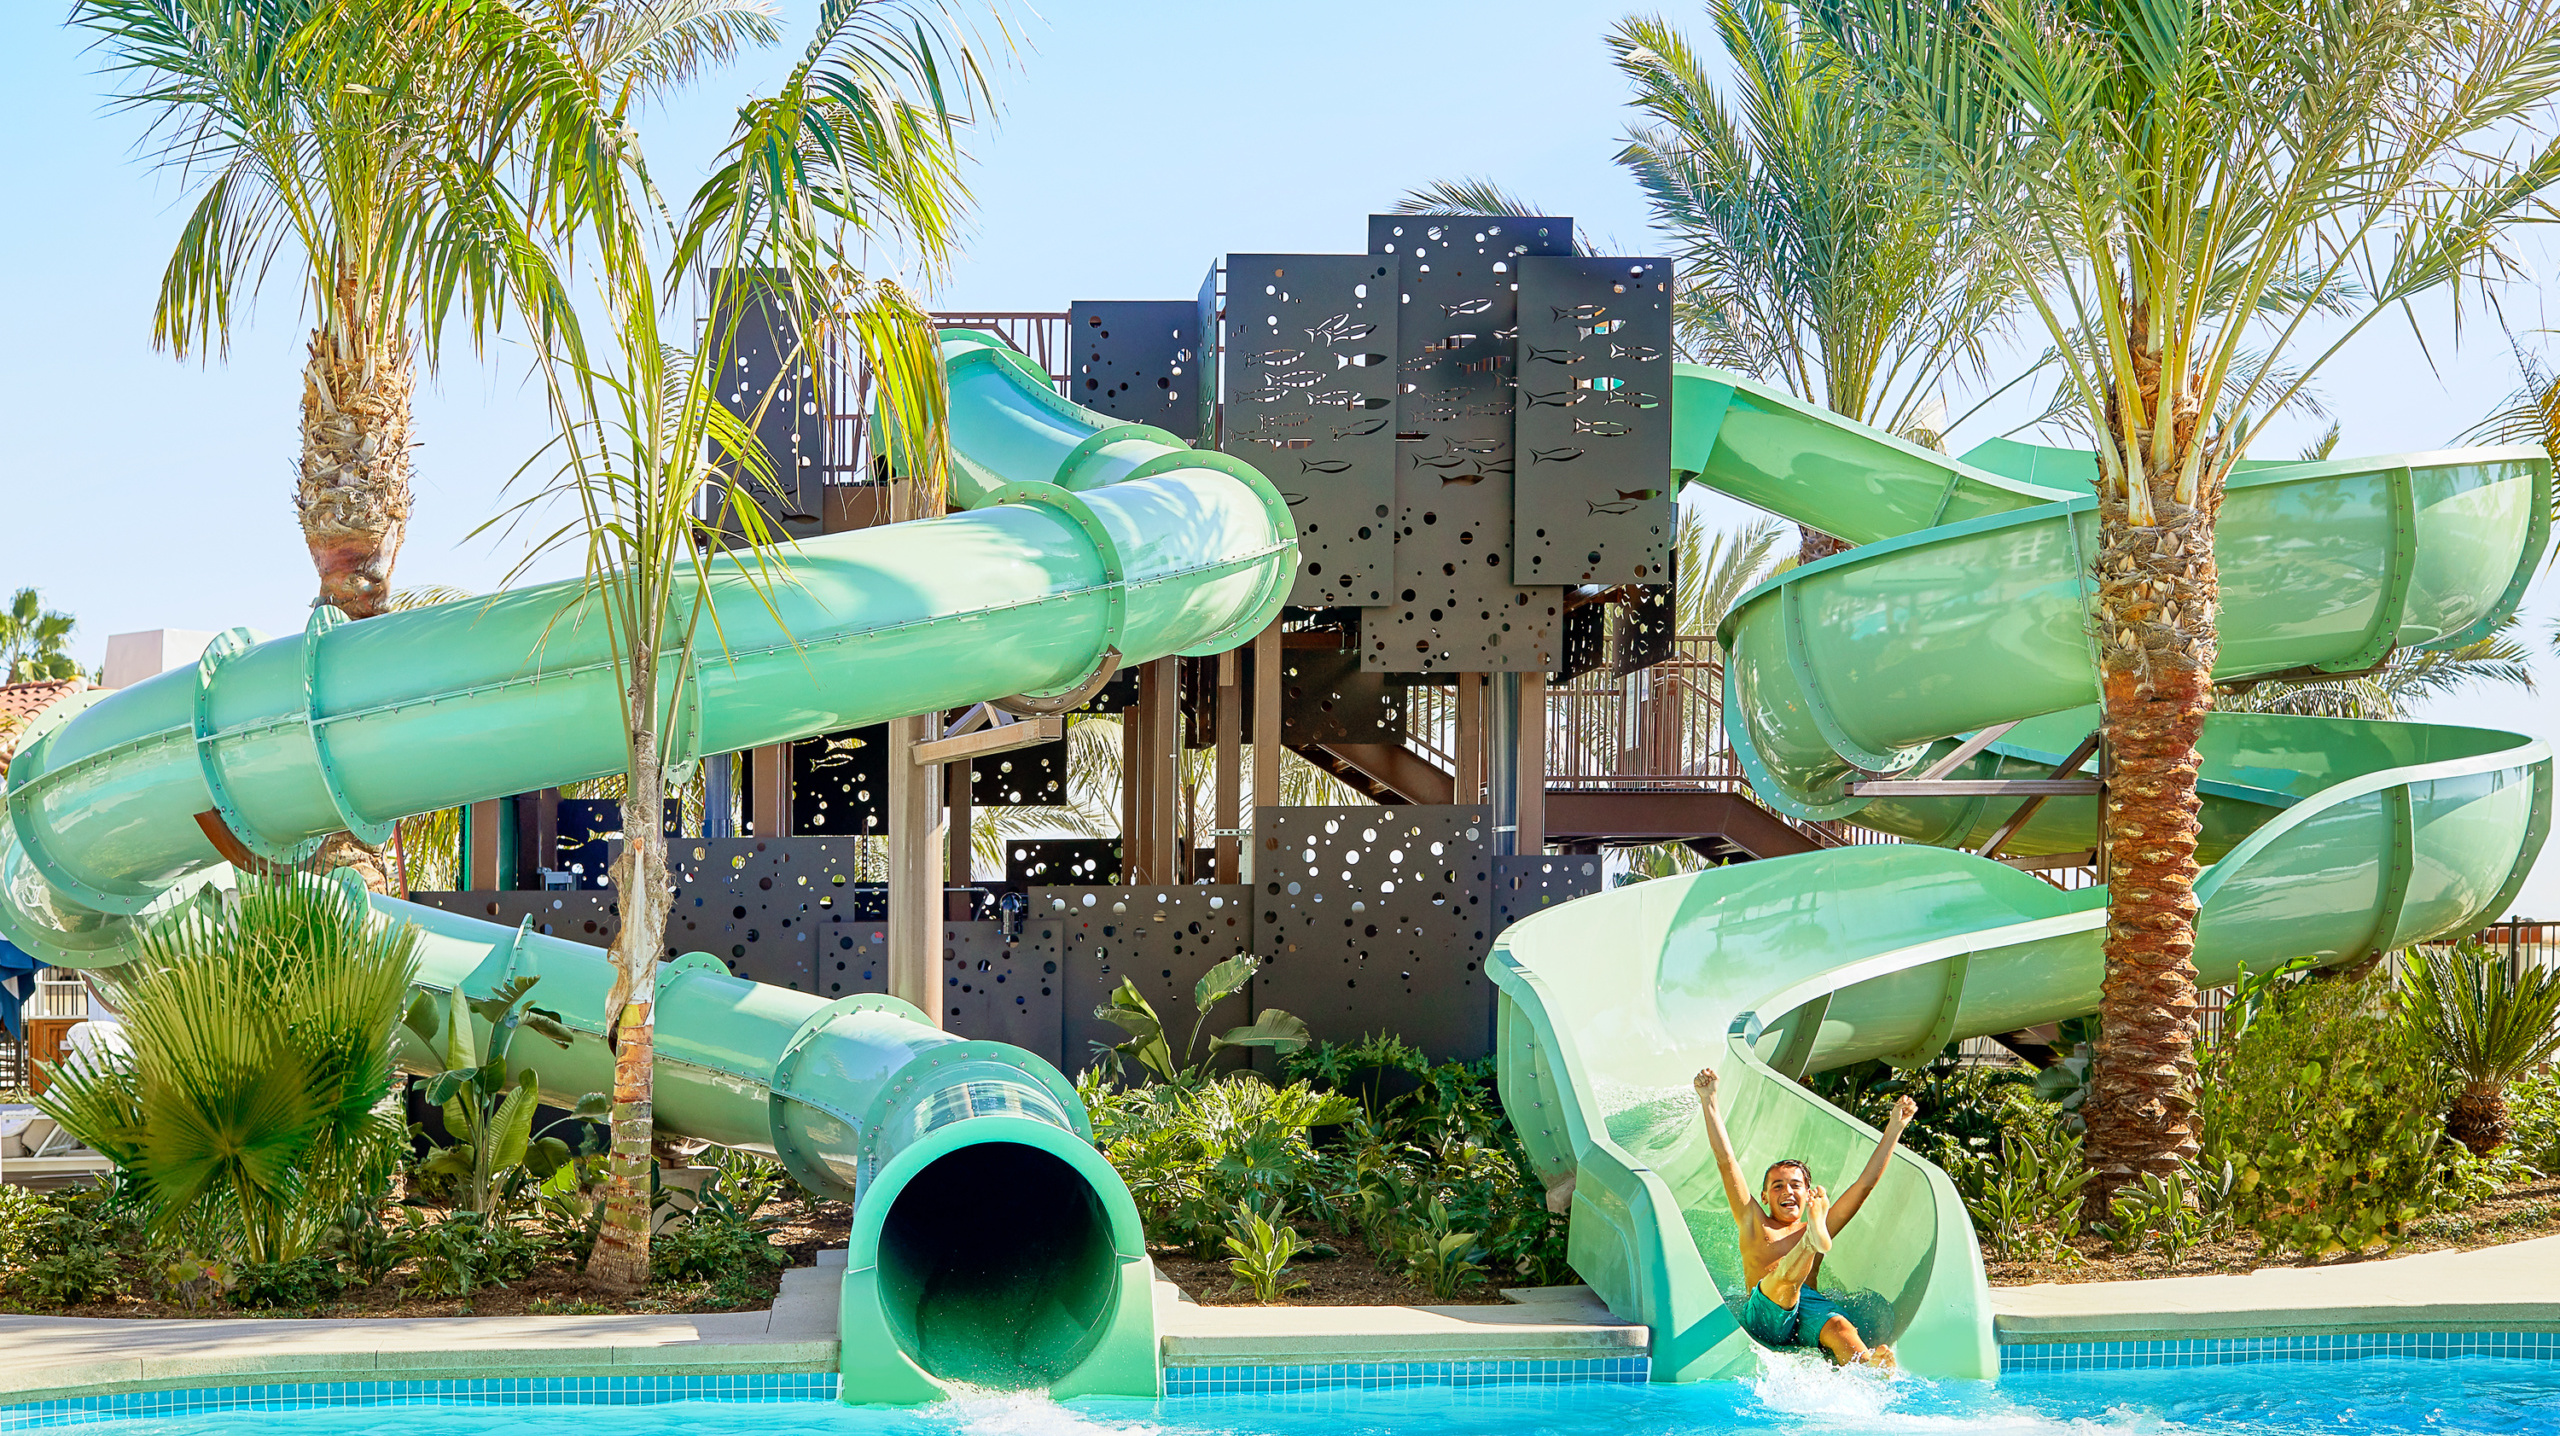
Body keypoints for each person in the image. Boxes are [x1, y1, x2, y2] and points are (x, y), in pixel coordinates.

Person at [1692, 1066, 1914, 1368]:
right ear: (1765, 1197)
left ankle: (1866, 1364)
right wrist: (1709, 1101)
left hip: (1809, 1306)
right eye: (1778, 1185)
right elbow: (1725, 1160)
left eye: (1796, 1185)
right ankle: (1811, 1243)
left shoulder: (1816, 1220)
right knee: (1785, 1280)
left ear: (1808, 1194)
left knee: (1840, 1327)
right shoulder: (1753, 1221)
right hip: (1766, 1311)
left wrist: (1894, 1128)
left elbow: (1864, 1185)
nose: (1788, 1190)